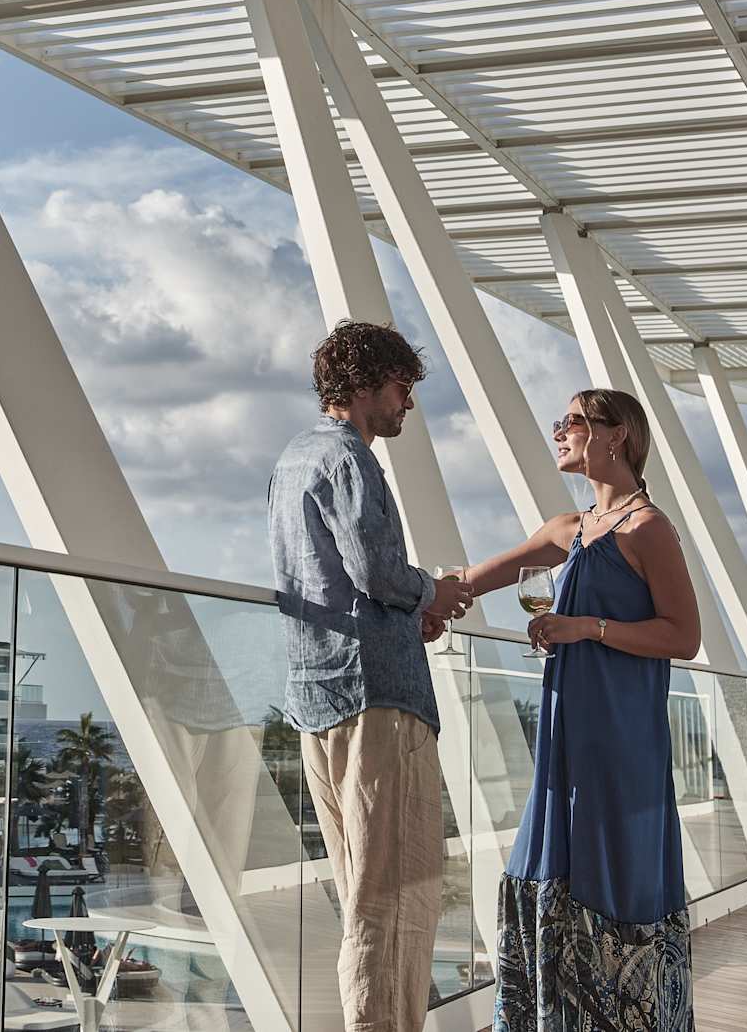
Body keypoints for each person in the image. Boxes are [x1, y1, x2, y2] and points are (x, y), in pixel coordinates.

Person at [455, 387, 700, 1030]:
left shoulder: (648, 529)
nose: (559, 431)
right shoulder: (569, 528)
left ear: (617, 435)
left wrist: (586, 627)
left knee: (616, 867)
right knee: (547, 859)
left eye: (573, 421)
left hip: (623, 735)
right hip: (567, 731)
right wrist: (428, 600)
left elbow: (684, 636)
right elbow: (479, 577)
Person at [266, 319, 474, 1032]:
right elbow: (377, 572)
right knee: (395, 896)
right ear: (364, 384)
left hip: (317, 696)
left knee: (361, 888)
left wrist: (406, 613)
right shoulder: (349, 457)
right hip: (376, 697)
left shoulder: (293, 459)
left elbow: (331, 584)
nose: (408, 403)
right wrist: (435, 593)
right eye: (401, 387)